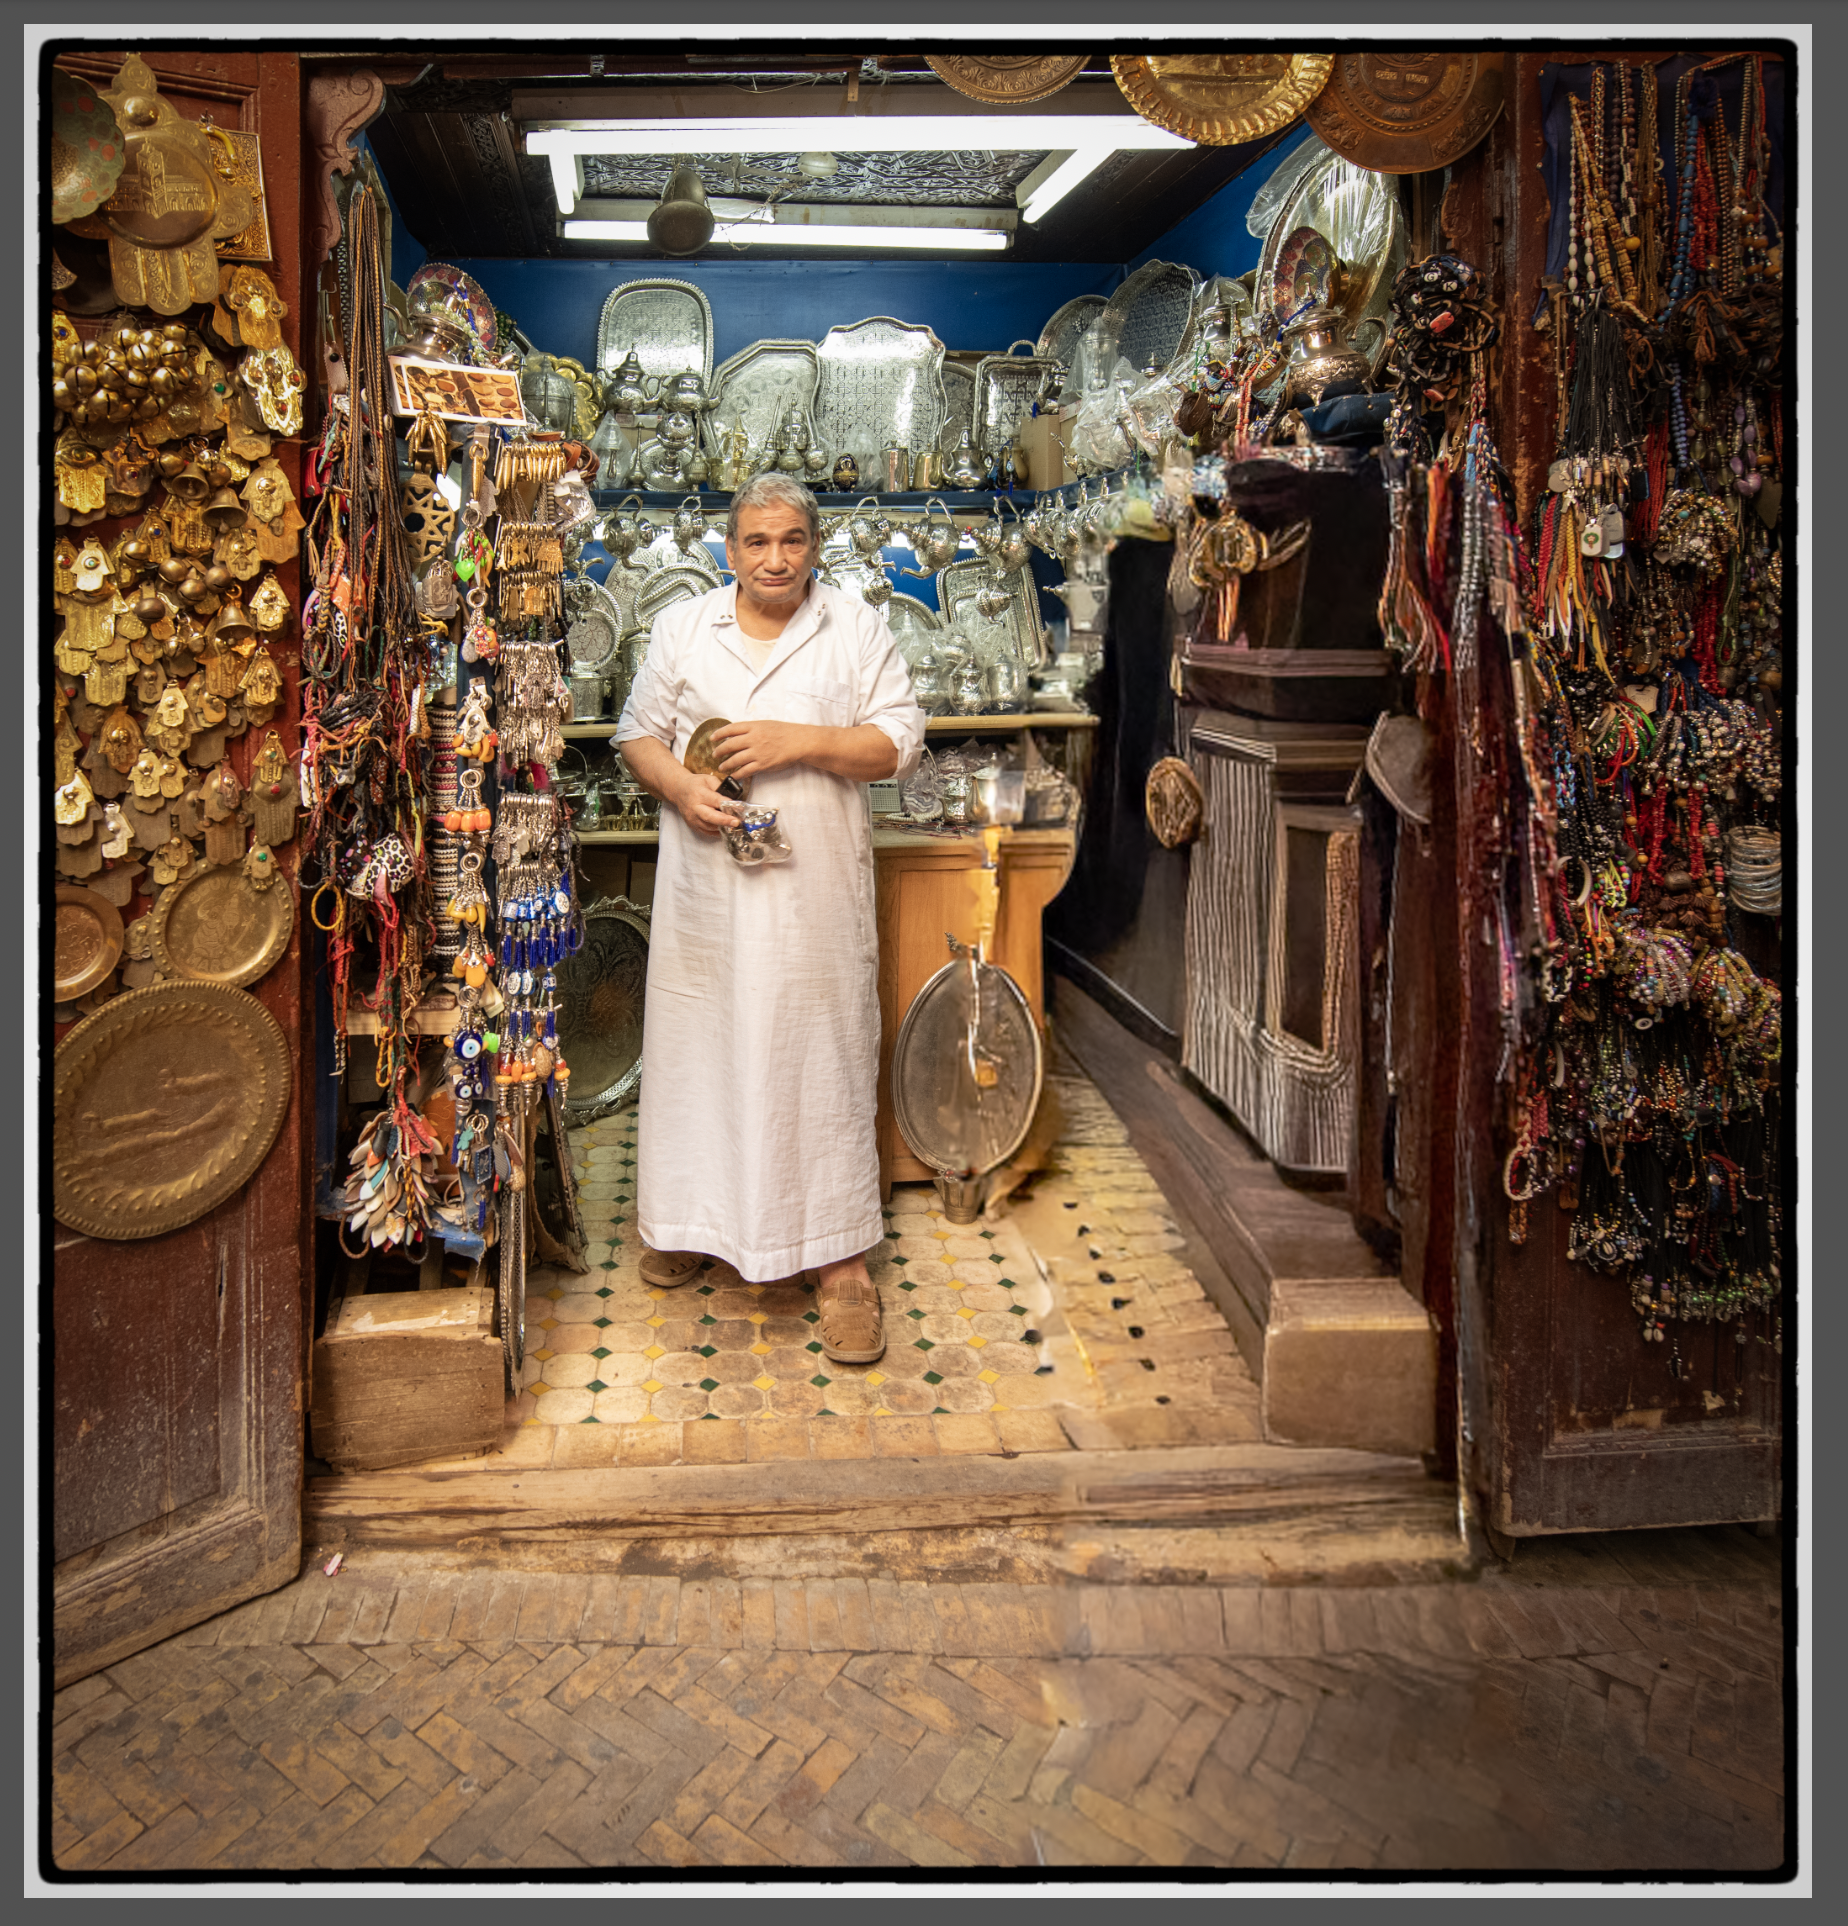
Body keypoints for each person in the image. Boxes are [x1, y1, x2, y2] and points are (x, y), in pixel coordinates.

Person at [613, 473, 926, 1364]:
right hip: (708, 901)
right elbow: (638, 733)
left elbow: (900, 741)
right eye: (757, 542)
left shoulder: (854, 626)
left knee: (815, 1061)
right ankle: (689, 1221)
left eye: (791, 540)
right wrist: (679, 785)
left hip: (812, 909)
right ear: (730, 549)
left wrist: (803, 740)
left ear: (813, 545)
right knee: (701, 1052)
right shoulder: (685, 627)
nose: (775, 558)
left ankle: (838, 1262)